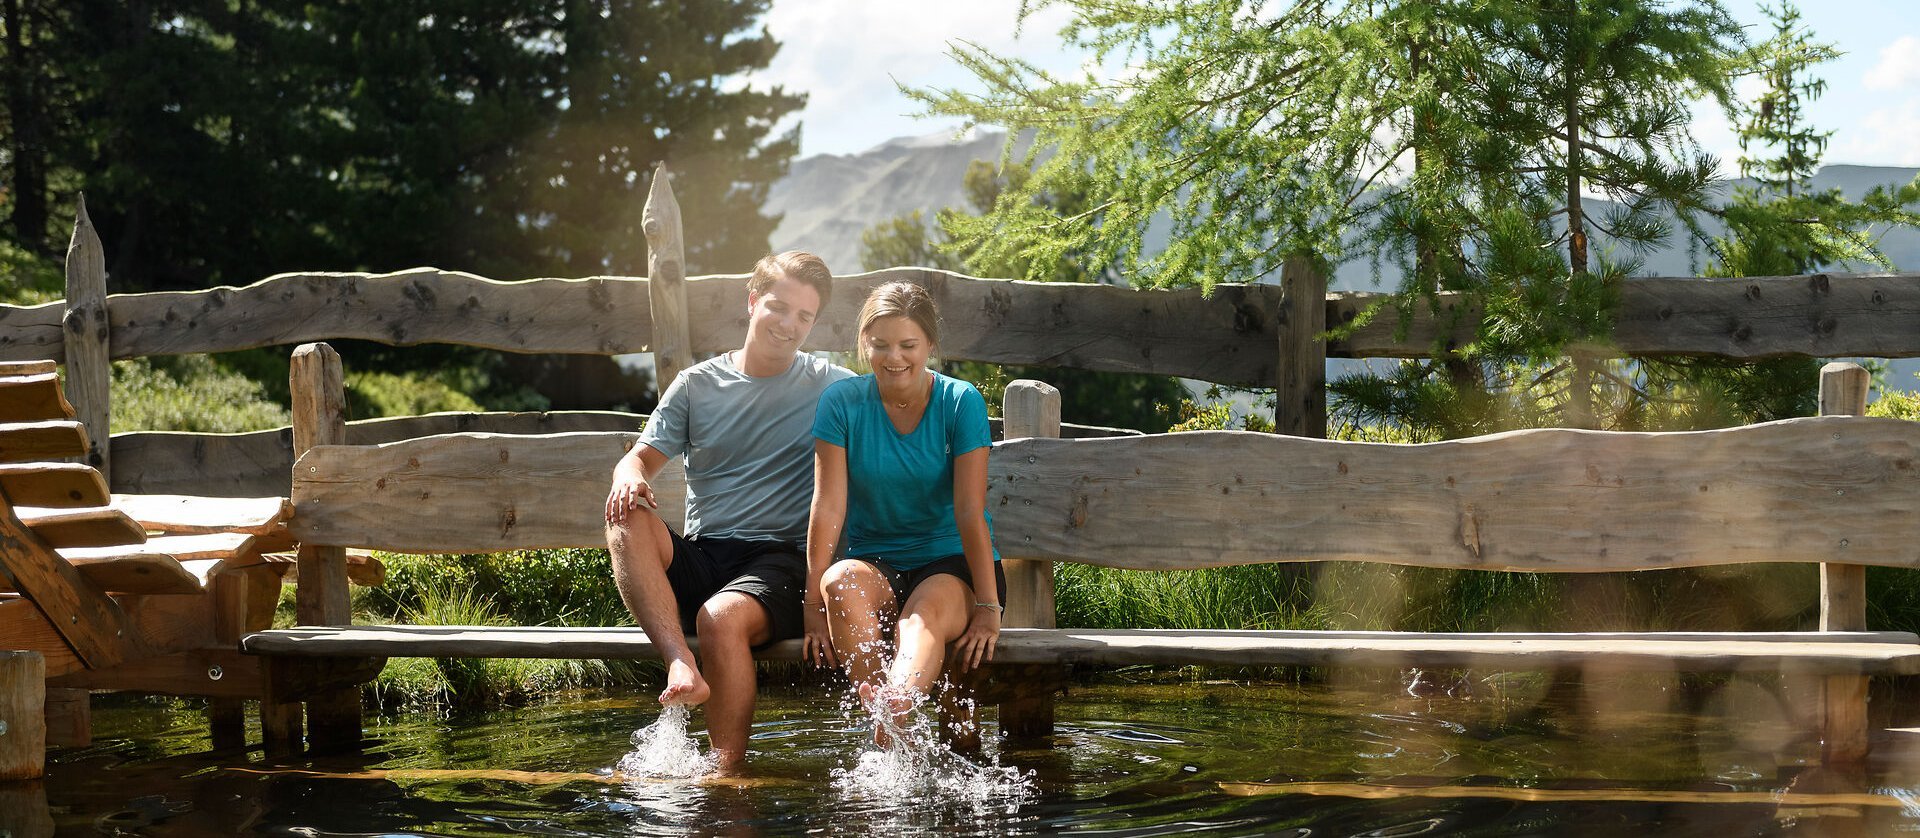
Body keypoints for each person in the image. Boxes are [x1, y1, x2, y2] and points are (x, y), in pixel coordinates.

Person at [604, 250, 852, 771]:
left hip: (779, 563)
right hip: (706, 554)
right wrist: (628, 475)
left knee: (719, 618)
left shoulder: (834, 388)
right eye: (778, 307)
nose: (789, 325)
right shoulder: (697, 384)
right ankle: (680, 663)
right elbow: (638, 461)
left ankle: (725, 782)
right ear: (752, 300)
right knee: (625, 515)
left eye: (804, 317)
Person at [803, 280, 1003, 743]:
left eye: (909, 345)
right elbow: (827, 504)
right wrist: (813, 604)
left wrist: (989, 607)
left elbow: (970, 512)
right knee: (840, 582)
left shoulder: (960, 401)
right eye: (881, 345)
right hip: (876, 562)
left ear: (930, 344)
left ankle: (894, 710)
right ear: (863, 346)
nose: (895, 358)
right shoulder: (842, 403)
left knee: (921, 618)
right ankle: (898, 731)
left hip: (951, 564)